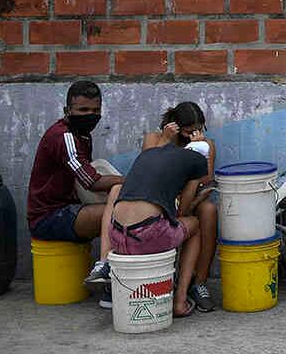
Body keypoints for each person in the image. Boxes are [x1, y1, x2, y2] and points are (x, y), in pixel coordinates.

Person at [27, 81, 124, 307]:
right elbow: (90, 181)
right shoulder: (64, 136)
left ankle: (110, 273)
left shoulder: (82, 135)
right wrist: (128, 180)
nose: (90, 115)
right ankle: (111, 285)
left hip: (69, 208)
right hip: (49, 217)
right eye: (83, 110)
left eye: (95, 111)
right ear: (67, 111)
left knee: (121, 206)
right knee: (120, 217)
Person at [105, 132, 209, 318]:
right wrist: (197, 198)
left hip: (116, 234)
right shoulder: (197, 160)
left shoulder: (149, 154)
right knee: (194, 225)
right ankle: (180, 299)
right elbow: (184, 210)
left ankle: (108, 278)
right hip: (148, 234)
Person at [139, 103, 218, 312]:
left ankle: (199, 283)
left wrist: (198, 151)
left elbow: (205, 179)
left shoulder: (205, 144)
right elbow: (148, 170)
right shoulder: (155, 139)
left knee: (209, 210)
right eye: (187, 131)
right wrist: (167, 141)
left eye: (198, 129)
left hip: (190, 198)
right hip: (159, 200)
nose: (192, 135)